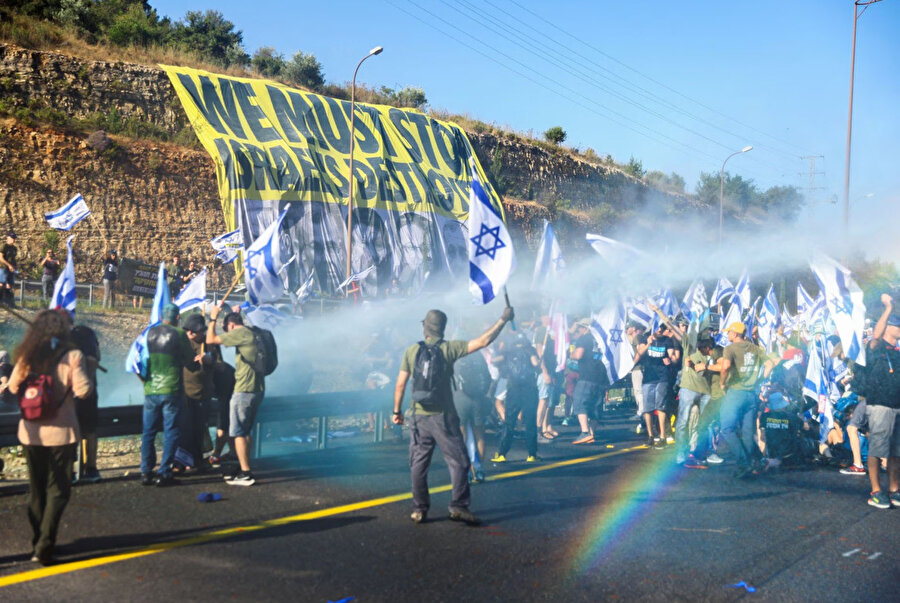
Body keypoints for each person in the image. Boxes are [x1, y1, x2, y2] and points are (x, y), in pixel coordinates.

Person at [392, 306, 514, 525]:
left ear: (425, 328)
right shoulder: (449, 349)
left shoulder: (412, 351)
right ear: (443, 329)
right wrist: (502, 320)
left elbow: (400, 384)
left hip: (418, 417)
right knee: (458, 461)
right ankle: (458, 506)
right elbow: (483, 341)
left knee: (418, 464)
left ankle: (419, 509)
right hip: (444, 416)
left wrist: (397, 412)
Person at [8, 309, 92, 565]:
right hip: (62, 433)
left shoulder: (28, 355)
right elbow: (84, 391)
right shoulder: (73, 355)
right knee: (58, 490)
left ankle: (37, 542)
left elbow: (12, 387)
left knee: (37, 489)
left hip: (31, 433)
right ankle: (45, 543)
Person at [206, 307, 265, 486]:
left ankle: (246, 473)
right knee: (245, 431)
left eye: (227, 329)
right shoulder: (252, 333)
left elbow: (211, 339)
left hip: (244, 390)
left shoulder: (241, 333)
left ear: (232, 326)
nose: (227, 333)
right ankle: (243, 467)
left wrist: (213, 318)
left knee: (238, 433)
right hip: (257, 388)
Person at [139, 303, 196, 486]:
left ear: (162, 316)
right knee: (171, 431)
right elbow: (189, 361)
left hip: (151, 389)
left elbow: (142, 361)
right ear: (177, 318)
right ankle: (164, 473)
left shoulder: (150, 333)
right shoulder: (179, 334)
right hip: (171, 389)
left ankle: (146, 472)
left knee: (149, 432)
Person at [854, 294, 900, 509]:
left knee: (896, 451)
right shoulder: (876, 348)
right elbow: (875, 336)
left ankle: (893, 489)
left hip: (897, 405)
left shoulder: (898, 351)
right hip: (880, 403)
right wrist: (888, 308)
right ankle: (876, 490)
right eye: (895, 325)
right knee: (877, 447)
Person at [719, 322, 778, 478]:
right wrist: (759, 380)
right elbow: (770, 364)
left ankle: (743, 462)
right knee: (747, 433)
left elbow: (725, 367)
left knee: (727, 428)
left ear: (735, 333)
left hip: (736, 392)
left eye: (729, 332)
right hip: (751, 394)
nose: (727, 335)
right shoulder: (755, 348)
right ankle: (757, 460)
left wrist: (722, 383)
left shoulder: (730, 349)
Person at [491, 332, 541, 463]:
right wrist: (539, 362)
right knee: (530, 422)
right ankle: (532, 455)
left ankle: (502, 454)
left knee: (509, 422)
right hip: (529, 390)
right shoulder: (530, 350)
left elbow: (494, 361)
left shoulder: (509, 352)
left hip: (513, 390)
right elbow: (535, 363)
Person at [177, 313, 217, 473]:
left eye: (200, 331)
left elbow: (219, 365)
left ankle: (198, 460)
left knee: (199, 430)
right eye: (195, 331)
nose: (197, 334)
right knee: (184, 431)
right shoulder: (182, 344)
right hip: (186, 394)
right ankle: (180, 462)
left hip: (204, 394)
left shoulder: (209, 343)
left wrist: (210, 360)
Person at [634, 324, 677, 449]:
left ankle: (662, 436)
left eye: (662, 329)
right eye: (657, 328)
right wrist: (648, 343)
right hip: (648, 378)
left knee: (660, 407)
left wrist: (669, 359)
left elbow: (672, 356)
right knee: (647, 408)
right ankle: (650, 436)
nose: (659, 330)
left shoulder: (667, 340)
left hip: (662, 378)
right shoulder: (645, 338)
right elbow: (640, 352)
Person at [71, 324, 102, 483]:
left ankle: (70, 470)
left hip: (73, 398)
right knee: (90, 432)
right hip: (90, 397)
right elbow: (98, 356)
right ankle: (92, 468)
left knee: (72, 432)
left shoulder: (72, 355)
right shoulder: (92, 355)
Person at [569, 318, 608, 445]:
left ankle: (585, 432)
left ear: (585, 328)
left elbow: (578, 355)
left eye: (580, 327)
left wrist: (571, 355)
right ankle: (591, 433)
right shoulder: (600, 339)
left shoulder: (584, 339)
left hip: (587, 376)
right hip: (601, 376)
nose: (579, 330)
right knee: (595, 406)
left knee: (580, 402)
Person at [1, 232, 18, 306]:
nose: (13, 240)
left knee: (9, 285)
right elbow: (0, 258)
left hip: (11, 269)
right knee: (1, 284)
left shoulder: (14, 248)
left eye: (14, 238)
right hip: (3, 268)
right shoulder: (3, 246)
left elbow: (13, 259)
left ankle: (8, 303)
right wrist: (9, 265)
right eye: (12, 238)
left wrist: (14, 267)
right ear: (7, 238)